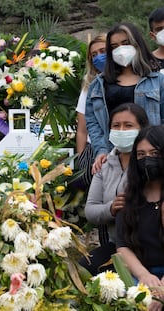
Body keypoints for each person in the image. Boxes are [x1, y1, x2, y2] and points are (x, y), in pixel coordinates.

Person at [85, 22, 164, 174]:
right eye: (114, 46)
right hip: (112, 157)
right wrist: (101, 151)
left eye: (125, 43)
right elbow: (93, 123)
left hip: (149, 157)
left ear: (137, 44)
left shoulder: (157, 81)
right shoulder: (98, 85)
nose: (120, 49)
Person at [81, 103, 149, 275]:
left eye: (129, 126)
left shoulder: (150, 164)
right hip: (117, 244)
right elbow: (90, 210)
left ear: (142, 129)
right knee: (85, 266)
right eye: (116, 126)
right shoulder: (104, 165)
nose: (122, 131)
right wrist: (111, 208)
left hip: (149, 244)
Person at [116, 125, 164, 311]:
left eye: (155, 153)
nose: (147, 160)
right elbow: (123, 245)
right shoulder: (128, 199)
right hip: (141, 272)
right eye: (141, 155)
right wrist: (144, 277)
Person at [76, 34, 106, 188]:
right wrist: (82, 160)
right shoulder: (89, 88)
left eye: (103, 51)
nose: (99, 57)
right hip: (94, 153)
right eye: (94, 55)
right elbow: (82, 130)